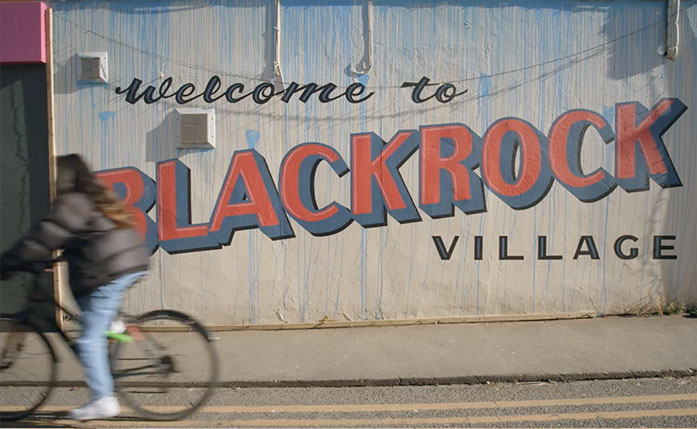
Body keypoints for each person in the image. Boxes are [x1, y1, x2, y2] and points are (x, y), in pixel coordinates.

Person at [0, 154, 150, 421]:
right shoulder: (93, 197)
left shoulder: (73, 203)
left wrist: (7, 264)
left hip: (111, 271)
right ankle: (111, 324)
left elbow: (40, 239)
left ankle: (104, 400)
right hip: (125, 263)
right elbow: (86, 238)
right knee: (90, 308)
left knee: (88, 340)